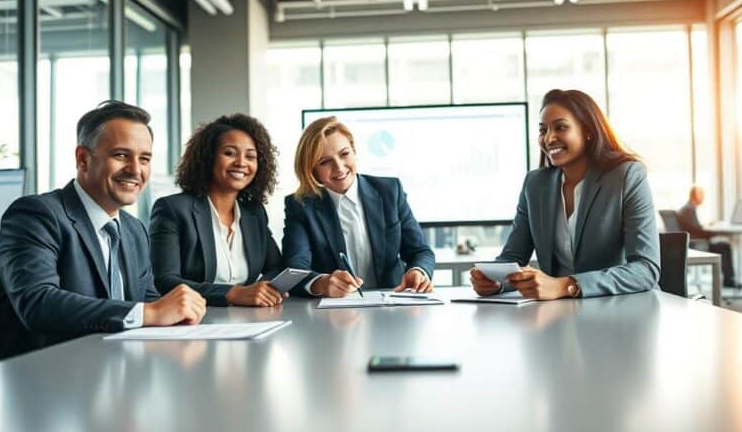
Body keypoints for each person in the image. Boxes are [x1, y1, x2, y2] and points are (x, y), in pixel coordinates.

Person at [0, 101, 207, 356]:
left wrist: (181, 315)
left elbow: (149, 301)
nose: (135, 170)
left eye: (145, 158)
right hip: (46, 376)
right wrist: (150, 313)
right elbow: (38, 303)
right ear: (83, 159)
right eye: (120, 155)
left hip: (119, 370)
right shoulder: (36, 215)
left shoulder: (134, 230)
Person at [470, 89, 659, 299]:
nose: (549, 138)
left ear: (588, 131)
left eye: (560, 127)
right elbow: (513, 257)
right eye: (543, 130)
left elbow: (646, 269)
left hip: (625, 310)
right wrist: (495, 281)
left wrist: (566, 286)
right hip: (558, 314)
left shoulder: (626, 176)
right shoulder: (535, 185)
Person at [283, 116, 435, 297]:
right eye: (324, 162)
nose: (339, 167)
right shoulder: (300, 205)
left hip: (391, 302)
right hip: (335, 312)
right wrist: (322, 284)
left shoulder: (390, 191)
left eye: (344, 154)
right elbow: (295, 268)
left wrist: (418, 271)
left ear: (354, 151)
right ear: (312, 169)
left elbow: (420, 251)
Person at [150, 114, 285, 307]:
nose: (241, 163)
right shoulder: (173, 209)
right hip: (193, 323)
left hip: (251, 319)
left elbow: (276, 267)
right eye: (230, 153)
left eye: (250, 156)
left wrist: (264, 290)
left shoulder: (254, 213)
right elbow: (164, 281)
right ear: (208, 158)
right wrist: (231, 293)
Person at [676, 186, 740, 288]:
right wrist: (717, 234)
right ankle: (729, 280)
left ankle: (728, 280)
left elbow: (694, 228)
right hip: (696, 244)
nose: (703, 197)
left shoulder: (687, 208)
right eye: (701, 195)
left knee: (723, 245)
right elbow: (697, 231)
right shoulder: (689, 209)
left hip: (691, 242)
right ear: (695, 195)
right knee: (725, 246)